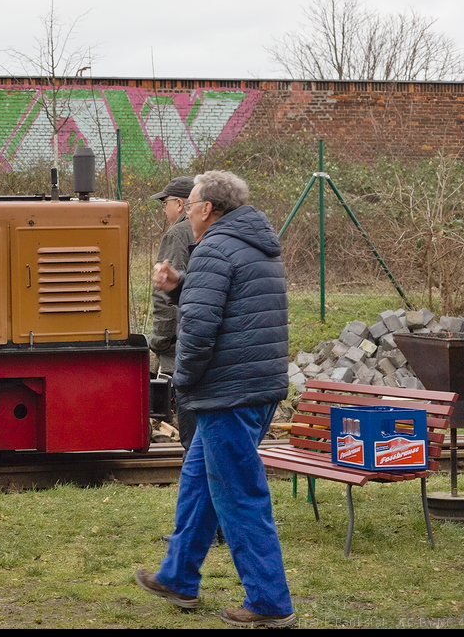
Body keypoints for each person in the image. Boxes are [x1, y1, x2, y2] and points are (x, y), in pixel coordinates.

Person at [135, 170, 296, 629]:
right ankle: (178, 577)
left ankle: (270, 603)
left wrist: (181, 383)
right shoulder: (251, 244)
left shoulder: (212, 249)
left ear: (207, 209)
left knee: (239, 495)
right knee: (199, 482)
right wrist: (182, 284)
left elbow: (200, 332)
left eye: (189, 205)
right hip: (254, 387)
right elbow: (233, 303)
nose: (185, 211)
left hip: (227, 393)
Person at [147, 175, 196, 448]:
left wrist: (161, 339)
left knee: (182, 407)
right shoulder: (210, 229)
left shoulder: (177, 233)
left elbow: (166, 291)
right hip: (197, 335)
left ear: (180, 204)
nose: (163, 209)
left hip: (178, 339)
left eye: (164, 203)